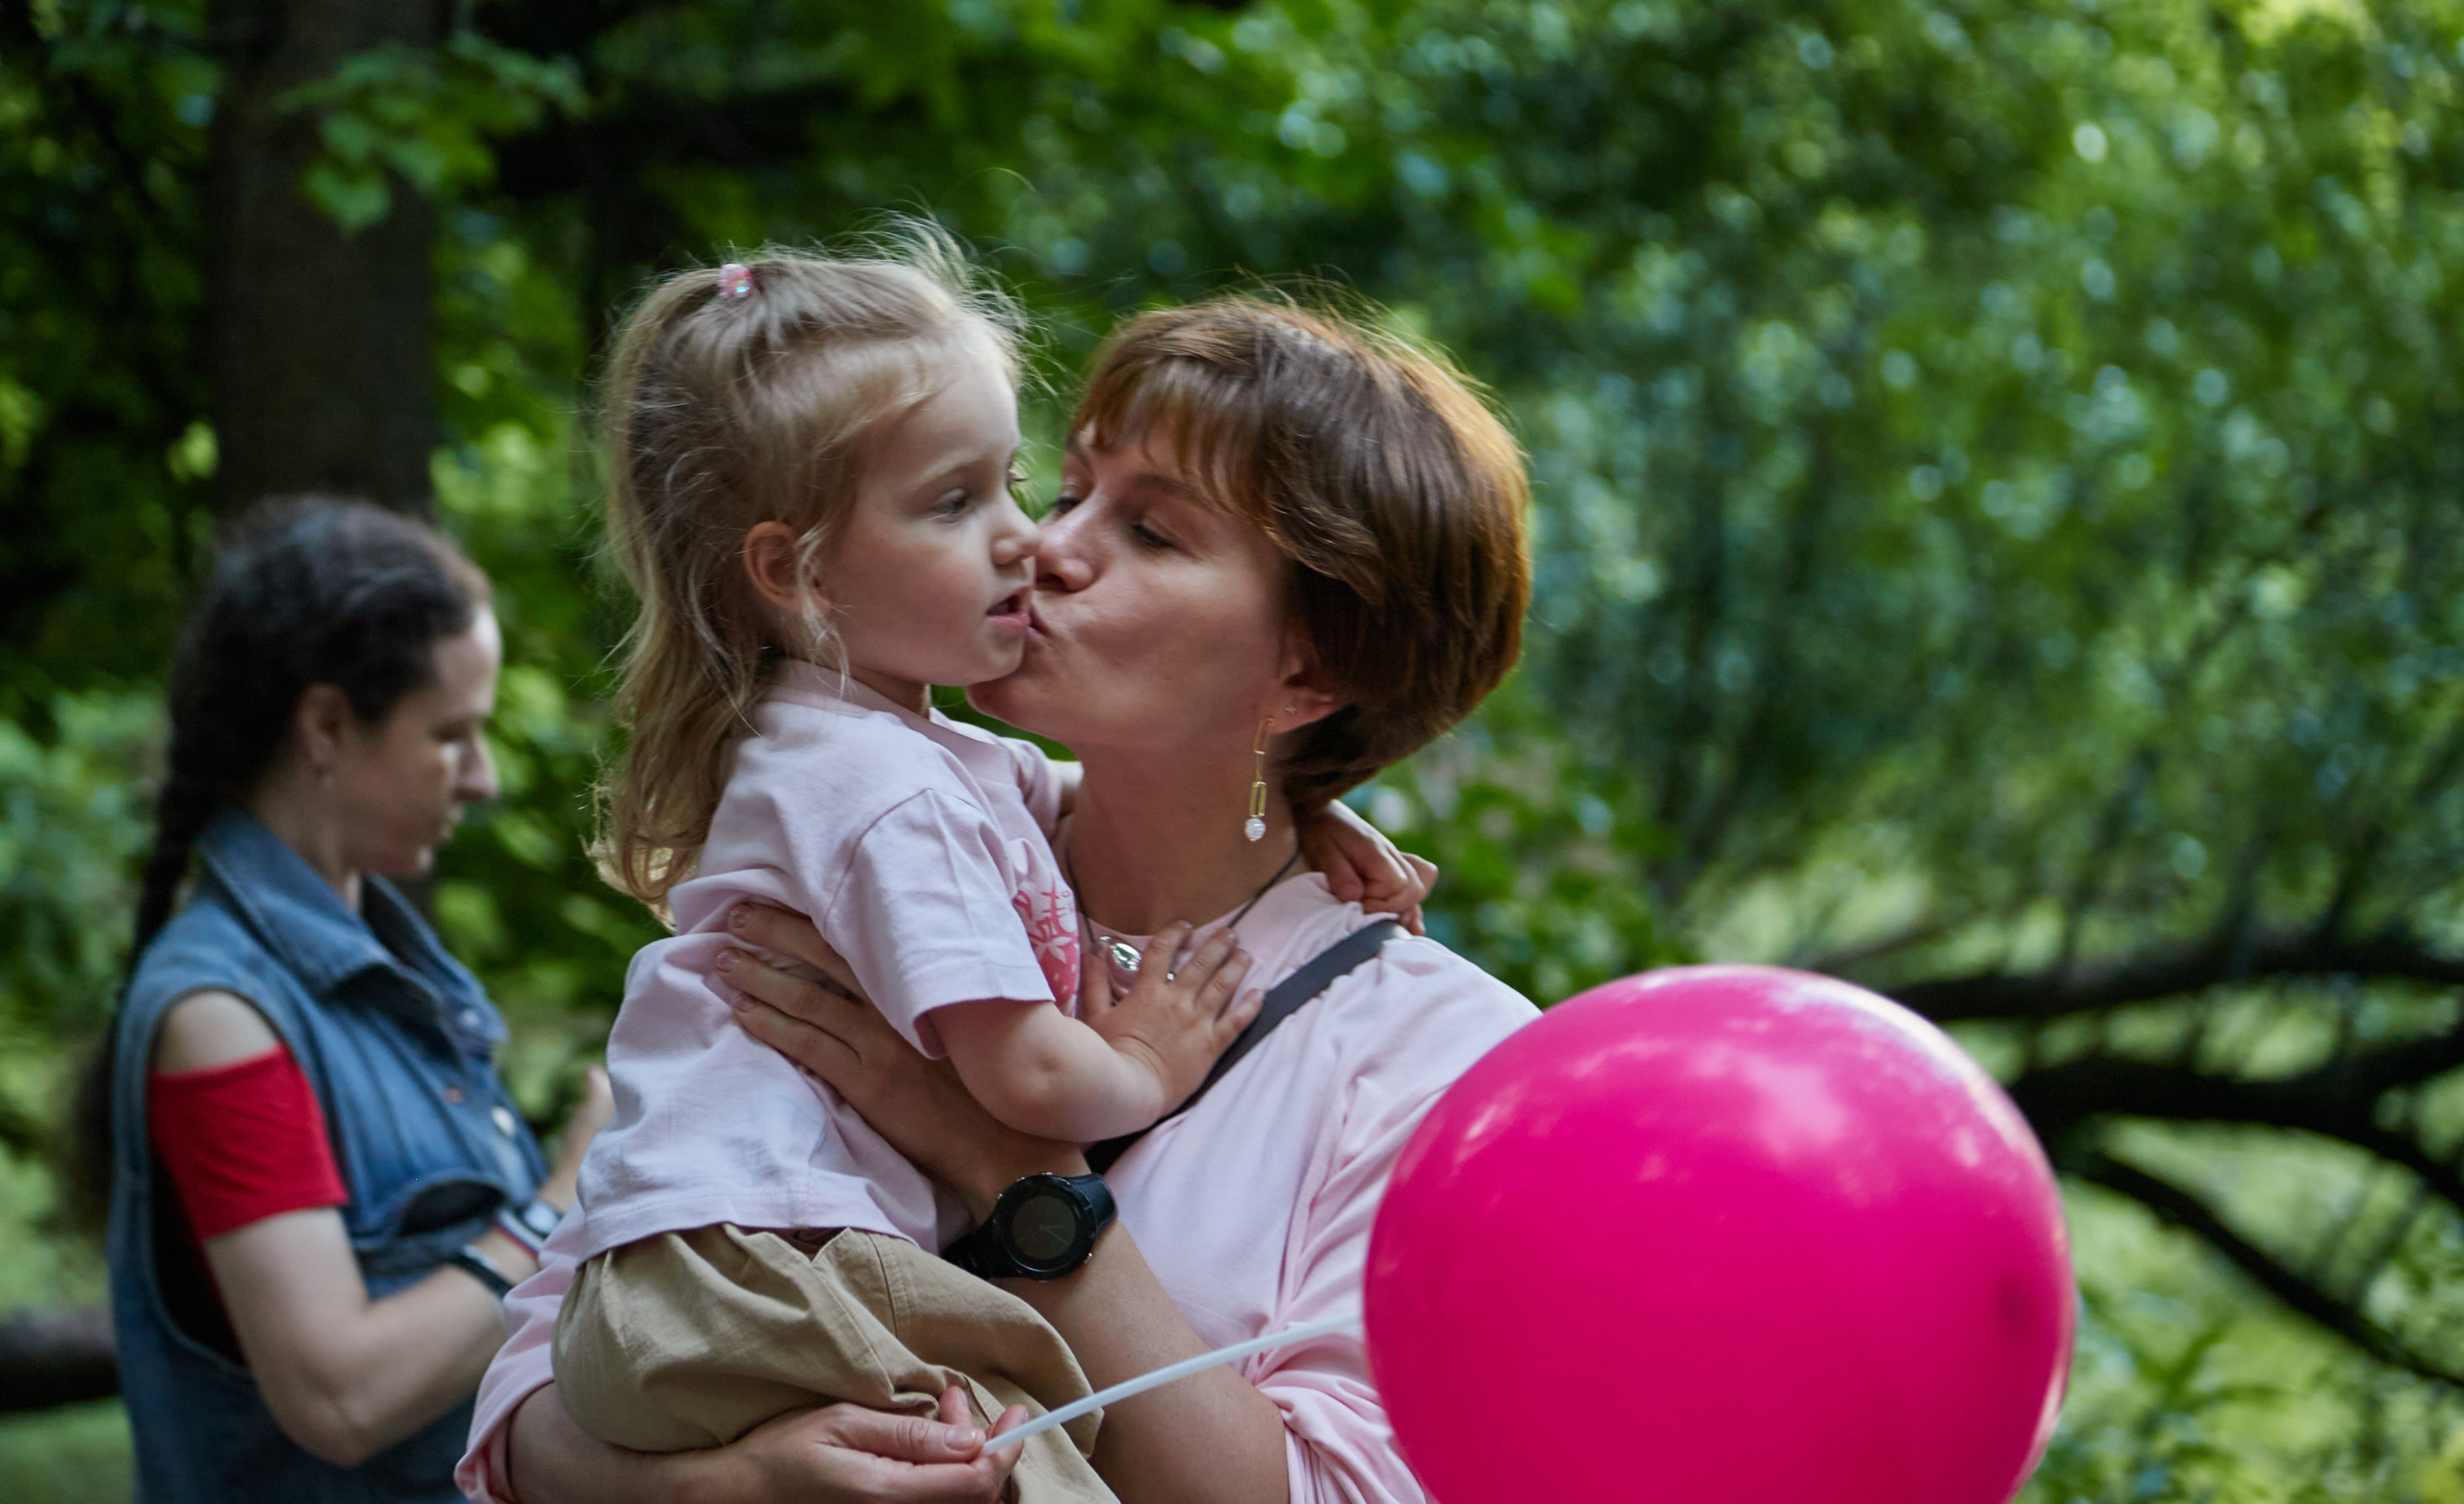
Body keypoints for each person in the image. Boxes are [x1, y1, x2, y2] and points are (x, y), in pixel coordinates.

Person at [459, 293, 1539, 1504]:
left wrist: (1013, 1170)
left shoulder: (1447, 1065)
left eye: (1153, 533)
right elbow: (532, 1383)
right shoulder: (878, 856)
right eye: (1067, 486)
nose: (1047, 545)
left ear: (1307, 673)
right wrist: (731, 1487)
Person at [94, 497, 614, 1503]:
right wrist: (564, 1199)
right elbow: (338, 1398)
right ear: (328, 725)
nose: (484, 779)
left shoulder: (387, 975)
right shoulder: (219, 1021)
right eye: (451, 736)